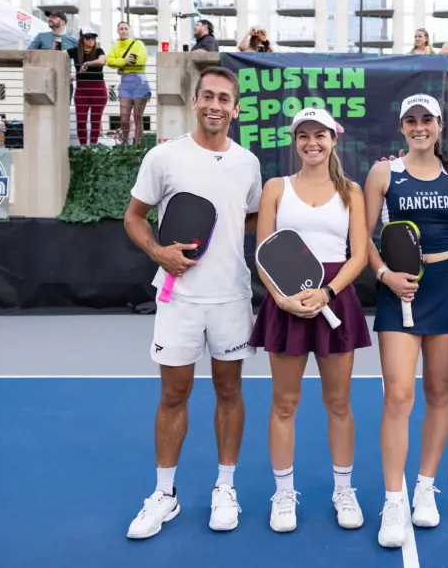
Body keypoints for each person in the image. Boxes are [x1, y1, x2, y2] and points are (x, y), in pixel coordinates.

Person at [122, 65, 263, 540]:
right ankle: (165, 494)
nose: (215, 105)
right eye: (208, 96)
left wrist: (222, 232)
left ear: (235, 109)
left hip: (231, 297)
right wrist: (158, 251)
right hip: (178, 298)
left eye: (224, 98)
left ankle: (225, 487)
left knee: (229, 390)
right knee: (173, 394)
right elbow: (134, 217)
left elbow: (249, 216)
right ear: (195, 101)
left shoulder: (247, 163)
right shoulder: (164, 157)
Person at [363, 93, 448, 548]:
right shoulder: (383, 173)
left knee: (438, 391)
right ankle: (393, 500)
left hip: (446, 288)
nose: (419, 127)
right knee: (398, 395)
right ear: (402, 127)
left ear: (439, 126)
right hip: (400, 292)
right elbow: (363, 238)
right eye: (410, 120)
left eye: (426, 119)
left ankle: (424, 488)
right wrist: (385, 276)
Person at [249, 107, 372, 534]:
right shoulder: (275, 188)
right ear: (295, 141)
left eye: (320, 134)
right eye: (304, 135)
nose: (312, 142)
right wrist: (281, 299)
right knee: (284, 404)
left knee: (339, 403)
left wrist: (328, 293)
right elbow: (263, 253)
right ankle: (283, 494)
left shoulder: (351, 191)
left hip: (335, 297)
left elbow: (359, 254)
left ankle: (344, 491)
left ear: (334, 140)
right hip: (286, 302)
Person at [107, 21, 151, 145]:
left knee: (137, 117)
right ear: (117, 31)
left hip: (139, 82)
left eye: (126, 28)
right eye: (121, 28)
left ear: (129, 30)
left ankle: (137, 146)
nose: (123, 31)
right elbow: (110, 61)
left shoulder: (138, 43)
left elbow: (142, 59)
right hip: (125, 83)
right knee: (124, 118)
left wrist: (122, 63)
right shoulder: (115, 46)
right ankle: (125, 144)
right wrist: (125, 61)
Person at [68, 25, 107, 146]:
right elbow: (58, 56)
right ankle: (83, 147)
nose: (91, 40)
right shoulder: (74, 51)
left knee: (96, 121)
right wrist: (68, 75)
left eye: (93, 37)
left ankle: (92, 147)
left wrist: (87, 63)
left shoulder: (99, 51)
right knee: (81, 121)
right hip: (82, 90)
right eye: (87, 37)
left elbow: (102, 61)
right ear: (81, 39)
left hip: (98, 90)